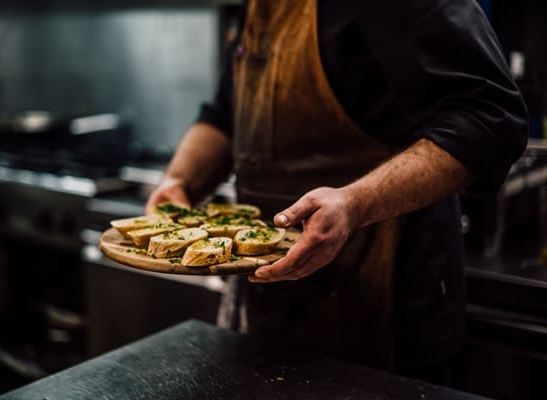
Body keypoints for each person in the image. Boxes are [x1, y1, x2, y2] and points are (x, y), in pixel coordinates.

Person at [146, 0, 527, 385]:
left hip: (385, 313)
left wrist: (355, 203)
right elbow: (226, 115)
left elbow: (488, 115)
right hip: (275, 310)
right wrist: (179, 181)